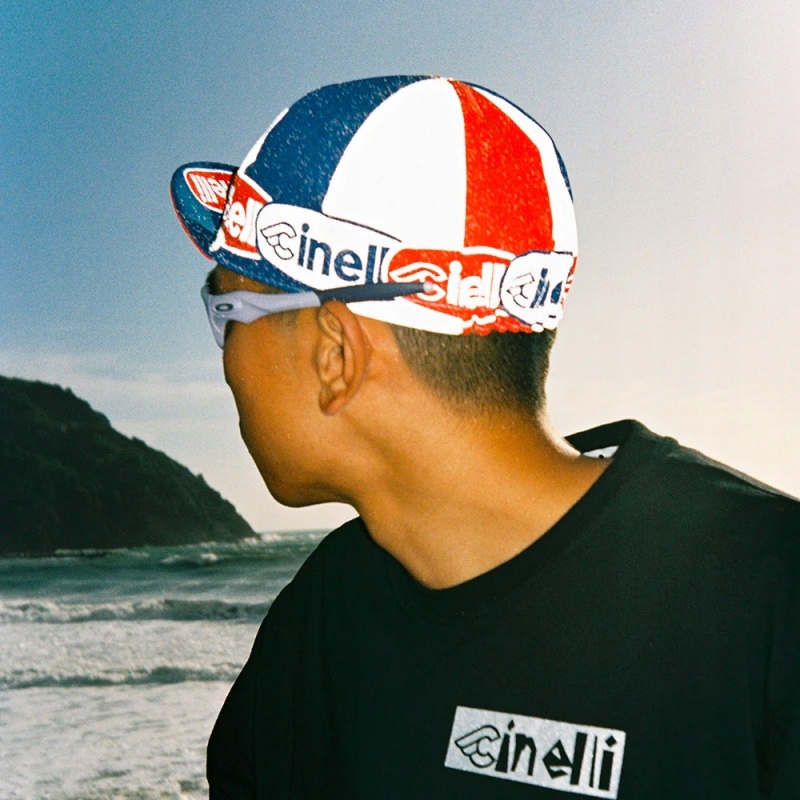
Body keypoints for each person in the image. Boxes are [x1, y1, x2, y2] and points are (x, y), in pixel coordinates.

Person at [171, 76, 800, 799]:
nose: (225, 360)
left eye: (227, 311)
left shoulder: (777, 602)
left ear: (335, 355)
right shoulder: (316, 620)